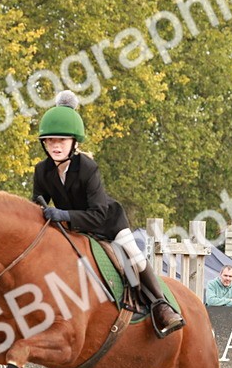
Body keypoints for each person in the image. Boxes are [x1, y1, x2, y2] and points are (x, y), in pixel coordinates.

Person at [31, 90, 184, 337]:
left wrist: (64, 215)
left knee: (133, 254)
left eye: (62, 140)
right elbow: (37, 205)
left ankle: (161, 305)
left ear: (74, 143)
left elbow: (98, 214)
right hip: (72, 228)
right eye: (50, 141)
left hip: (107, 223)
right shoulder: (42, 170)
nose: (55, 146)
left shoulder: (87, 168)